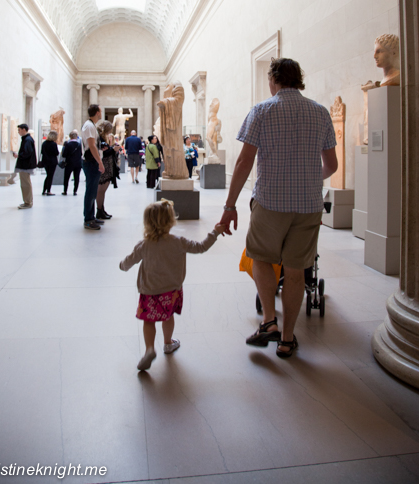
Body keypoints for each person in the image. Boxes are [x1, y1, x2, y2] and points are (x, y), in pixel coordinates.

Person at [219, 58, 338, 358]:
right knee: (297, 271)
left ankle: (269, 321)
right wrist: (311, 178)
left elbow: (244, 161)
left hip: (270, 202)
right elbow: (331, 165)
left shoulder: (262, 110)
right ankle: (287, 339)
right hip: (309, 205)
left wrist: (230, 204)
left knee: (261, 257)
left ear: (273, 79)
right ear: (299, 79)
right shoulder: (321, 112)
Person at [120, 200, 225, 371]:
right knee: (167, 316)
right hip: (171, 291)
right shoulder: (178, 242)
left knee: (149, 320)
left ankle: (149, 349)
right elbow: (201, 247)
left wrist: (122, 266)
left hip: (149, 291)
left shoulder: (144, 245)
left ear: (147, 223)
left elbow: (129, 261)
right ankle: (168, 343)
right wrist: (215, 232)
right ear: (171, 221)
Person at [81, 104, 105, 231]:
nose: (100, 113)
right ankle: (88, 220)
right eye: (100, 111)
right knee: (91, 191)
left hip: (92, 161)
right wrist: (100, 162)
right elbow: (91, 145)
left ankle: (91, 216)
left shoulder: (91, 125)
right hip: (91, 162)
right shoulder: (89, 126)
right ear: (96, 112)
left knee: (93, 190)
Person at [96, 122, 120, 221]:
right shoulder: (99, 139)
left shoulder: (101, 138)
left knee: (102, 190)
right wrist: (113, 149)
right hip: (104, 166)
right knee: (101, 190)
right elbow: (103, 153)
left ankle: (102, 209)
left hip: (106, 166)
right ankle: (99, 210)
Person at [13, 123, 37, 209]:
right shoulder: (27, 139)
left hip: (25, 166)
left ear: (24, 129)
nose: (18, 132)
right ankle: (27, 201)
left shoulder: (27, 140)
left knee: (25, 184)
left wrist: (18, 155)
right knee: (25, 184)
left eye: (19, 130)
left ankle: (28, 202)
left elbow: (27, 153)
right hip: (25, 165)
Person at [61, 130, 82, 196]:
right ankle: (75, 191)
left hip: (69, 163)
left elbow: (64, 154)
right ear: (76, 136)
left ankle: (65, 190)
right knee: (76, 177)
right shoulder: (79, 145)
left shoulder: (67, 144)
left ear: (70, 136)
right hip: (78, 163)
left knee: (66, 177)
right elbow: (81, 153)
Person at [40, 130, 59, 196]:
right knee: (50, 176)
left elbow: (42, 152)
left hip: (45, 162)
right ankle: (48, 191)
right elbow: (56, 153)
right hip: (52, 162)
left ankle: (44, 190)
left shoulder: (44, 143)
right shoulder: (54, 144)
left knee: (48, 175)